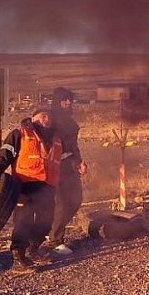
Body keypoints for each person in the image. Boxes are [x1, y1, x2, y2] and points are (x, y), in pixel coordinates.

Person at [0, 108, 63, 274]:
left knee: (46, 221)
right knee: (23, 221)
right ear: (33, 118)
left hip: (47, 186)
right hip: (24, 185)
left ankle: (32, 249)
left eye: (50, 117)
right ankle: (18, 259)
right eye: (44, 116)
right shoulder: (20, 133)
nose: (48, 119)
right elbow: (4, 155)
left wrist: (77, 164)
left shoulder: (56, 139)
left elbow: (62, 160)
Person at [48, 87, 87, 255]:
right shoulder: (49, 121)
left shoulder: (70, 122)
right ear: (57, 101)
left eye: (70, 99)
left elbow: (73, 146)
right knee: (61, 203)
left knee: (76, 199)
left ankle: (52, 230)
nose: (68, 102)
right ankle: (55, 241)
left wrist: (79, 162)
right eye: (65, 100)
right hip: (54, 166)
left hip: (70, 165)